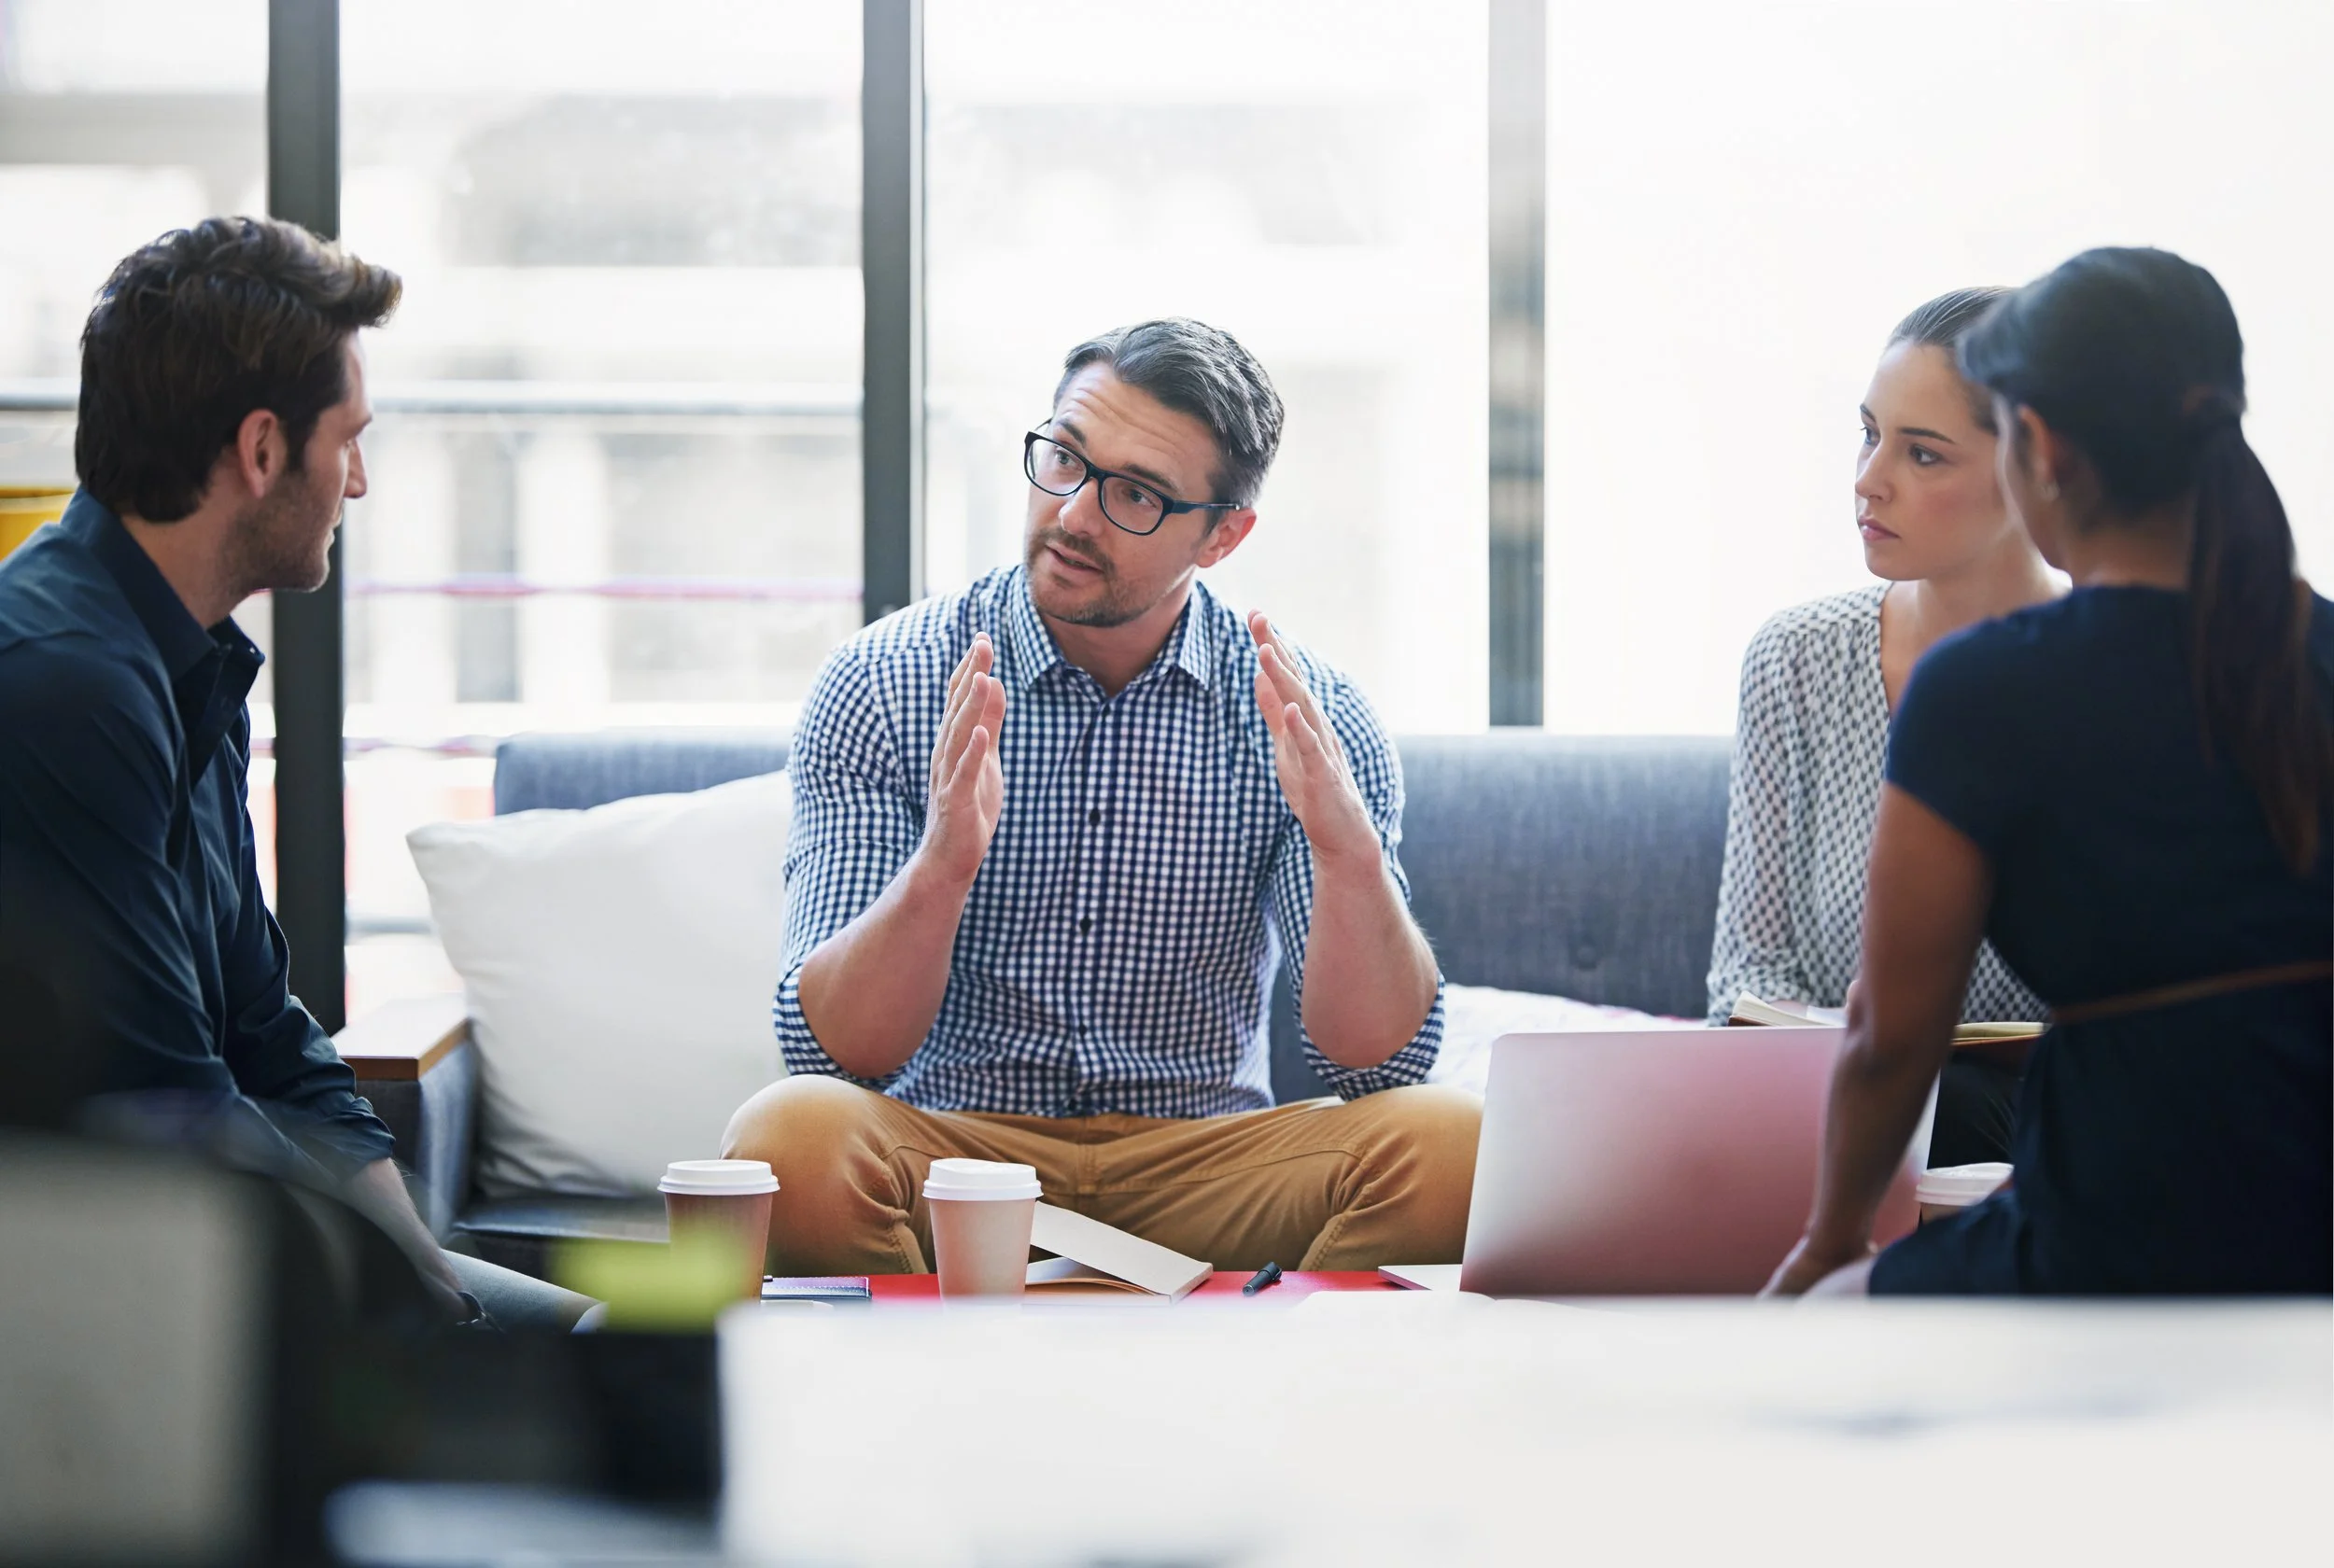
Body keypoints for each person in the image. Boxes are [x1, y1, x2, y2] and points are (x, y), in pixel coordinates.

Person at [724, 318, 1478, 1275]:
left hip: (1204, 1162)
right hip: (955, 1155)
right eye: (1065, 461)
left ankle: (1267, 1394)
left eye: (1135, 495)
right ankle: (945, 1398)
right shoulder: (885, 681)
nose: (1075, 515)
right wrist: (943, 868)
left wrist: (1349, 856)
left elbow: (1377, 1070)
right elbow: (835, 1058)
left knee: (1455, 1143)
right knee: (791, 1137)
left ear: (1223, 535)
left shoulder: (1308, 715)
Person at [0, 217, 590, 1329]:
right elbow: (169, 1098)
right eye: (349, 440)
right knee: (582, 1395)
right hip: (107, 1272)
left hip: (199, 1227)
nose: (357, 483)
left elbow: (265, 1027)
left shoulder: (185, 657)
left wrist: (422, 1265)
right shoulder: (63, 685)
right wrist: (396, 1292)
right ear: (264, 449)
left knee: (587, 1345)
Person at [1767, 247, 2332, 1297]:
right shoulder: (2319, 648)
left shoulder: (1985, 691)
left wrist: (1828, 1249)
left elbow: (1892, 1041)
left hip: (2107, 1251)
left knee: (1822, 1324)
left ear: (2034, 446)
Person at [1708, 288, 2056, 1167]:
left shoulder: (2130, 675)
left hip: (2045, 1125)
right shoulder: (1797, 660)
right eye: (1869, 435)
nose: (1869, 480)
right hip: (1832, 1104)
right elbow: (1744, 980)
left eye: (1924, 454)